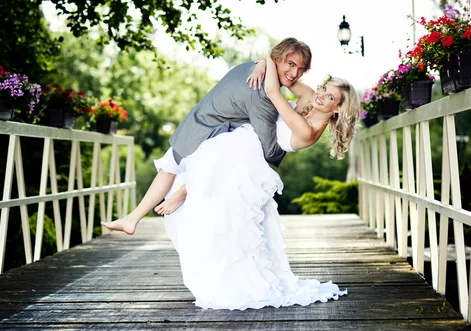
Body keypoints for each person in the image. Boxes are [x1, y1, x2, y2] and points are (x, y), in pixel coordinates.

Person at [155, 55, 360, 310]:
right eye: (324, 89)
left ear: (338, 109)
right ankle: (187, 189)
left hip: (249, 159)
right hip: (244, 143)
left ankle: (188, 191)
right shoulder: (310, 96)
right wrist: (265, 62)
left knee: (233, 226)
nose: (321, 96)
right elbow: (287, 76)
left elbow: (274, 91)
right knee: (223, 212)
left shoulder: (308, 132)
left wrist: (265, 61)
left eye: (330, 98)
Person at [102, 37, 313, 235]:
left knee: (168, 166)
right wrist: (288, 146)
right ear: (277, 59)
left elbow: (285, 79)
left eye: (301, 69)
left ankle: (133, 218)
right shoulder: (262, 98)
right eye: (290, 64)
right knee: (244, 151)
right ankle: (183, 192)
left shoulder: (249, 67)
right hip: (210, 134)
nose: (295, 74)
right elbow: (269, 151)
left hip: (197, 120)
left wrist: (265, 61)